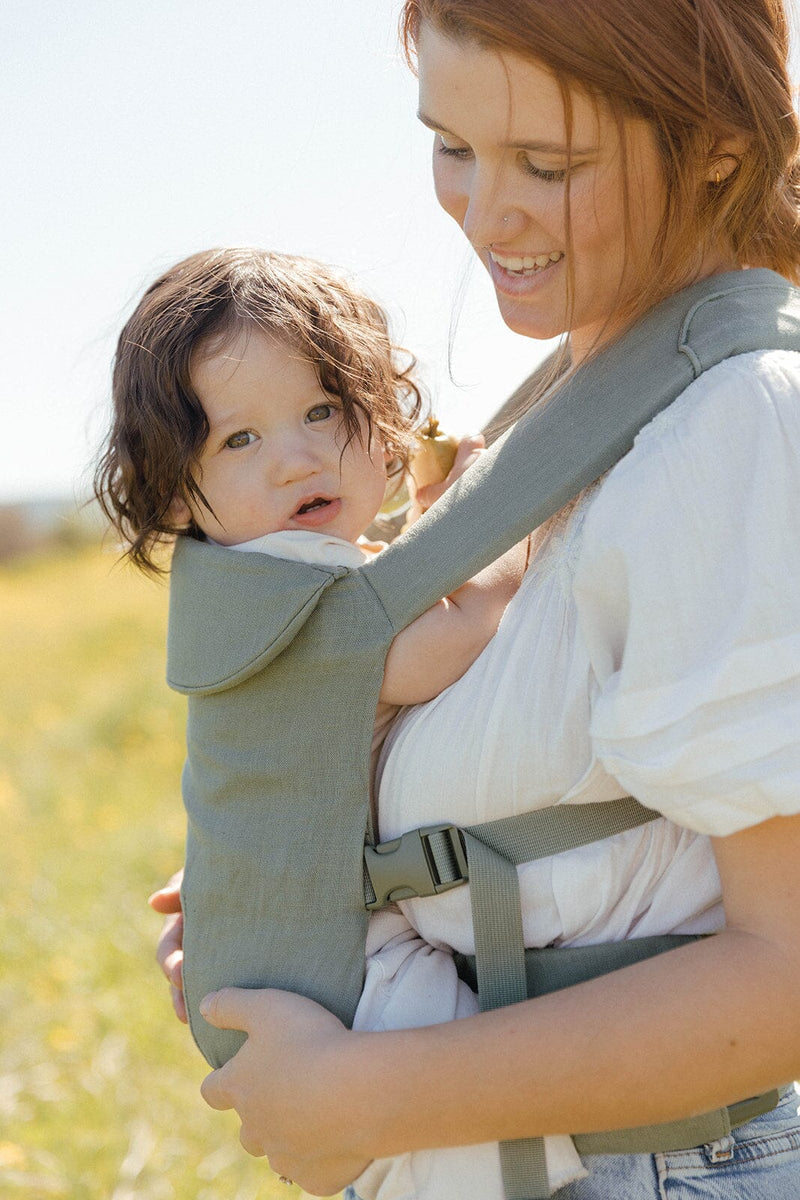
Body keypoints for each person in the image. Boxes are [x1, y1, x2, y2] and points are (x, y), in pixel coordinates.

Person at [153, 1, 800, 1197]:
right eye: (452, 144)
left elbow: (785, 979)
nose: (483, 214)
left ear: (713, 145)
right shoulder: (571, 407)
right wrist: (293, 882)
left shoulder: (735, 424)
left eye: (547, 165)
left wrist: (359, 1093)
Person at [96, 246, 538, 1197]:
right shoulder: (296, 580)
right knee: (478, 1121)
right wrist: (514, 524)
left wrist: (424, 519)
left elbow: (378, 618)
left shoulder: (237, 587)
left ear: (376, 416)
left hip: (267, 950)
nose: (296, 456)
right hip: (336, 976)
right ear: (178, 490)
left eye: (322, 412)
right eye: (239, 440)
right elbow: (439, 642)